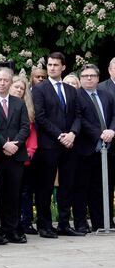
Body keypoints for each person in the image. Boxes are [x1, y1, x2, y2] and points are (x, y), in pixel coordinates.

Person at [32, 52, 83, 238]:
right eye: (49, 64)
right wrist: (60, 135)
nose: (52, 68)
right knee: (45, 186)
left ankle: (63, 224)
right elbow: (40, 116)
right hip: (49, 145)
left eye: (55, 65)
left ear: (63, 67)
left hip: (70, 145)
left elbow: (78, 115)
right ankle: (44, 226)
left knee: (67, 185)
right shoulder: (40, 89)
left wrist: (73, 134)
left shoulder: (71, 90)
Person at [0, 67, 31, 244]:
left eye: (6, 80)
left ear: (11, 82)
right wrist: (4, 144)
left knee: (14, 194)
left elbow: (25, 126)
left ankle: (13, 230)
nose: (2, 83)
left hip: (16, 155)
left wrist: (15, 144)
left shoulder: (19, 103)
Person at [77, 64, 115, 231]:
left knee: (101, 187)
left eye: (92, 75)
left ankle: (102, 222)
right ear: (80, 79)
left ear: (98, 78)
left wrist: (111, 131)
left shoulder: (106, 95)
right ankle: (81, 223)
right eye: (85, 76)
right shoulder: (76, 96)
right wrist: (99, 133)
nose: (89, 78)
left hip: (107, 148)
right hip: (85, 148)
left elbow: (114, 115)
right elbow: (80, 118)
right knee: (83, 187)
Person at [10, 75, 39, 235]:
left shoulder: (28, 108)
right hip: (8, 153)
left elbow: (31, 132)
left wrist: (30, 151)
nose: (19, 90)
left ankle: (26, 221)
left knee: (26, 192)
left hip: (25, 156)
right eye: (16, 87)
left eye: (22, 88)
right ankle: (12, 223)